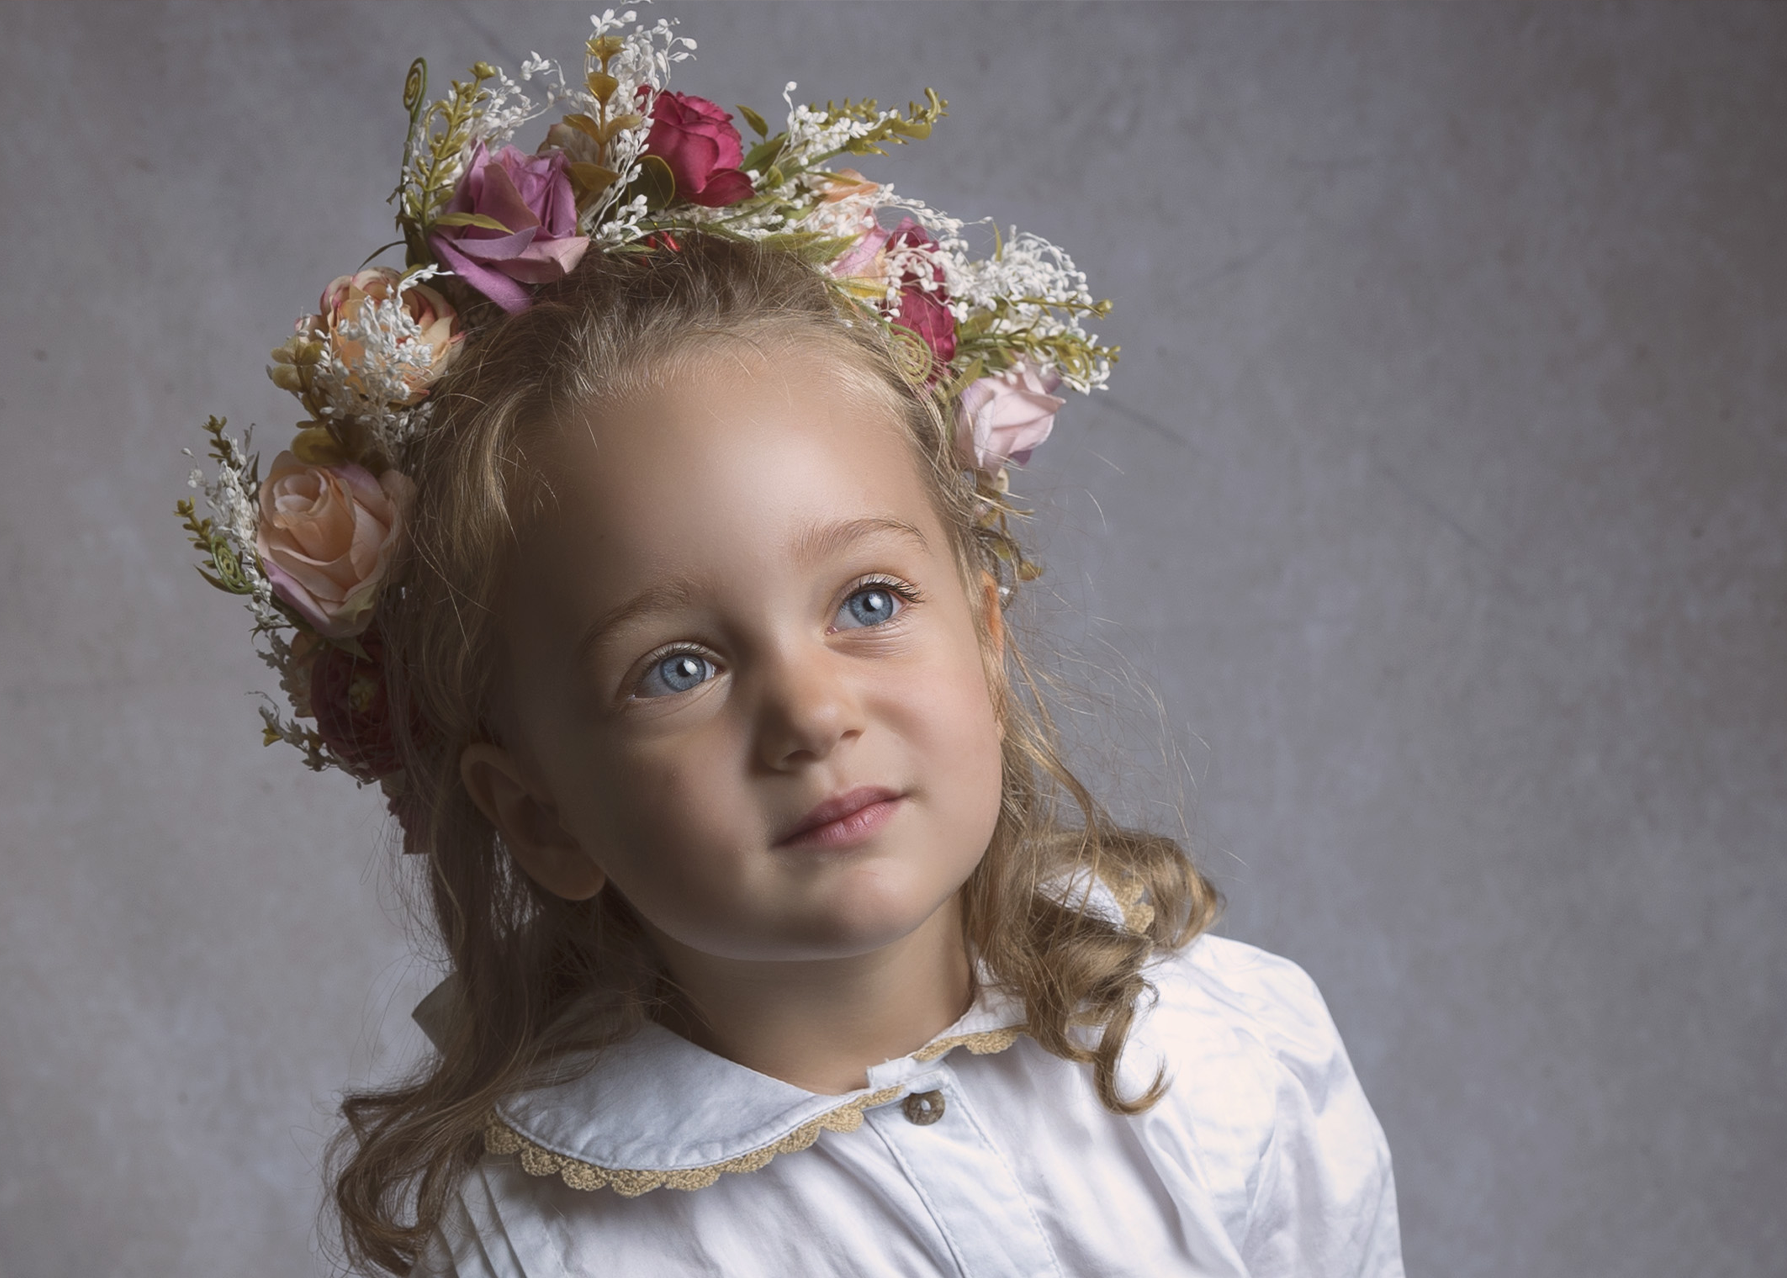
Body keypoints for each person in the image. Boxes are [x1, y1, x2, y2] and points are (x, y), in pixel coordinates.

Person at [178, 14, 1402, 1276]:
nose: (810, 714)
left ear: (984, 642)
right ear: (541, 814)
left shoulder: (1228, 1056)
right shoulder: (541, 1252)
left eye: (867, 602)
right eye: (677, 668)